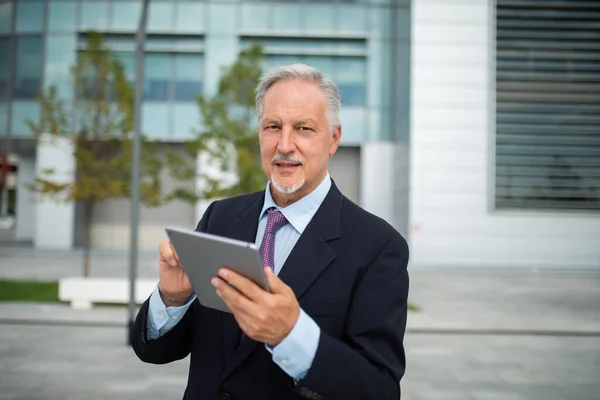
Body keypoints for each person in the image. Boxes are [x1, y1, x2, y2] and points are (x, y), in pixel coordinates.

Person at [131, 64, 410, 400]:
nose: (285, 144)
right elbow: (156, 351)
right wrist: (171, 300)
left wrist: (291, 335)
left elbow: (378, 389)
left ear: (334, 138)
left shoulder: (378, 246)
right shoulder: (220, 217)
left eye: (304, 128)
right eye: (273, 126)